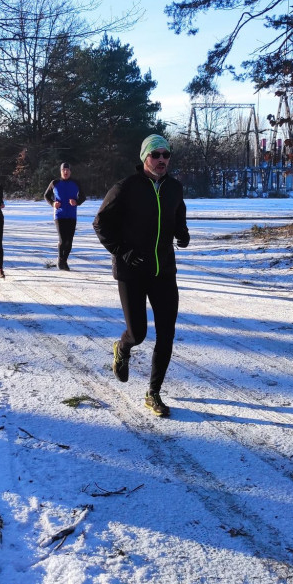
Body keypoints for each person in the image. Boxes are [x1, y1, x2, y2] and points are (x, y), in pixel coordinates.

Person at [93, 134, 189, 417]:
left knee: (166, 334)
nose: (162, 159)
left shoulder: (174, 188)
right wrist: (121, 251)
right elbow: (100, 224)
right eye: (156, 154)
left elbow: (177, 217)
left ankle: (154, 392)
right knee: (138, 333)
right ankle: (122, 348)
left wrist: (182, 234)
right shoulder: (125, 188)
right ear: (145, 157)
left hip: (163, 271)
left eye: (166, 154)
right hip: (131, 271)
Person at [43, 162, 86, 270]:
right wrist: (53, 203)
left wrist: (76, 202)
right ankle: (60, 259)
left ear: (70, 171)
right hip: (59, 215)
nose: (65, 172)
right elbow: (46, 196)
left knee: (69, 241)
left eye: (67, 170)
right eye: (63, 170)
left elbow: (83, 197)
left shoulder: (76, 183)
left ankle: (64, 260)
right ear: (61, 171)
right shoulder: (55, 183)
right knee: (62, 240)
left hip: (71, 215)